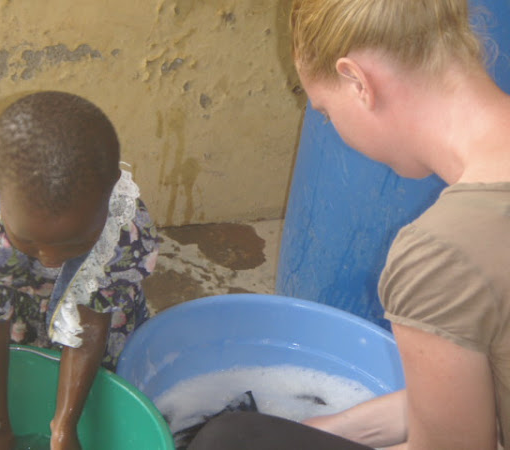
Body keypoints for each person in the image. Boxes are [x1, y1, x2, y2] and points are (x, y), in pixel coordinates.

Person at [189, 0, 510, 449]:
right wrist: (322, 432)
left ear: (357, 81)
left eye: (324, 110)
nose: (331, 124)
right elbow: (479, 396)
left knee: (225, 441)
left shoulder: (442, 255)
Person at [0, 91, 159, 450]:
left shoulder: (124, 229)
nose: (49, 259)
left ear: (109, 199)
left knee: (103, 364)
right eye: (30, 241)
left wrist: (63, 428)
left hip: (88, 301)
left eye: (73, 243)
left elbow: (91, 324)